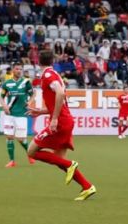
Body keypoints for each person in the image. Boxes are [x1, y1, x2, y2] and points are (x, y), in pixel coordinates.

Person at [26, 49, 96, 201]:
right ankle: (87, 186)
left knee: (31, 151)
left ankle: (71, 164)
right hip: (66, 121)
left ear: (37, 61)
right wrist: (41, 111)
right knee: (59, 160)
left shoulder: (47, 75)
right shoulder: (55, 74)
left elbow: (60, 93)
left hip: (61, 122)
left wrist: (54, 119)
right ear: (52, 61)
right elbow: (59, 98)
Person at [0, 63, 35, 167]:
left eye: (20, 69)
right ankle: (12, 161)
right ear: (12, 70)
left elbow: (33, 94)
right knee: (9, 137)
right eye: (17, 69)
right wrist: (4, 106)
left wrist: (30, 102)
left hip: (21, 114)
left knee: (20, 139)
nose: (19, 71)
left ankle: (30, 154)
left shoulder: (26, 82)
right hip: (9, 114)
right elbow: (1, 97)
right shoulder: (7, 83)